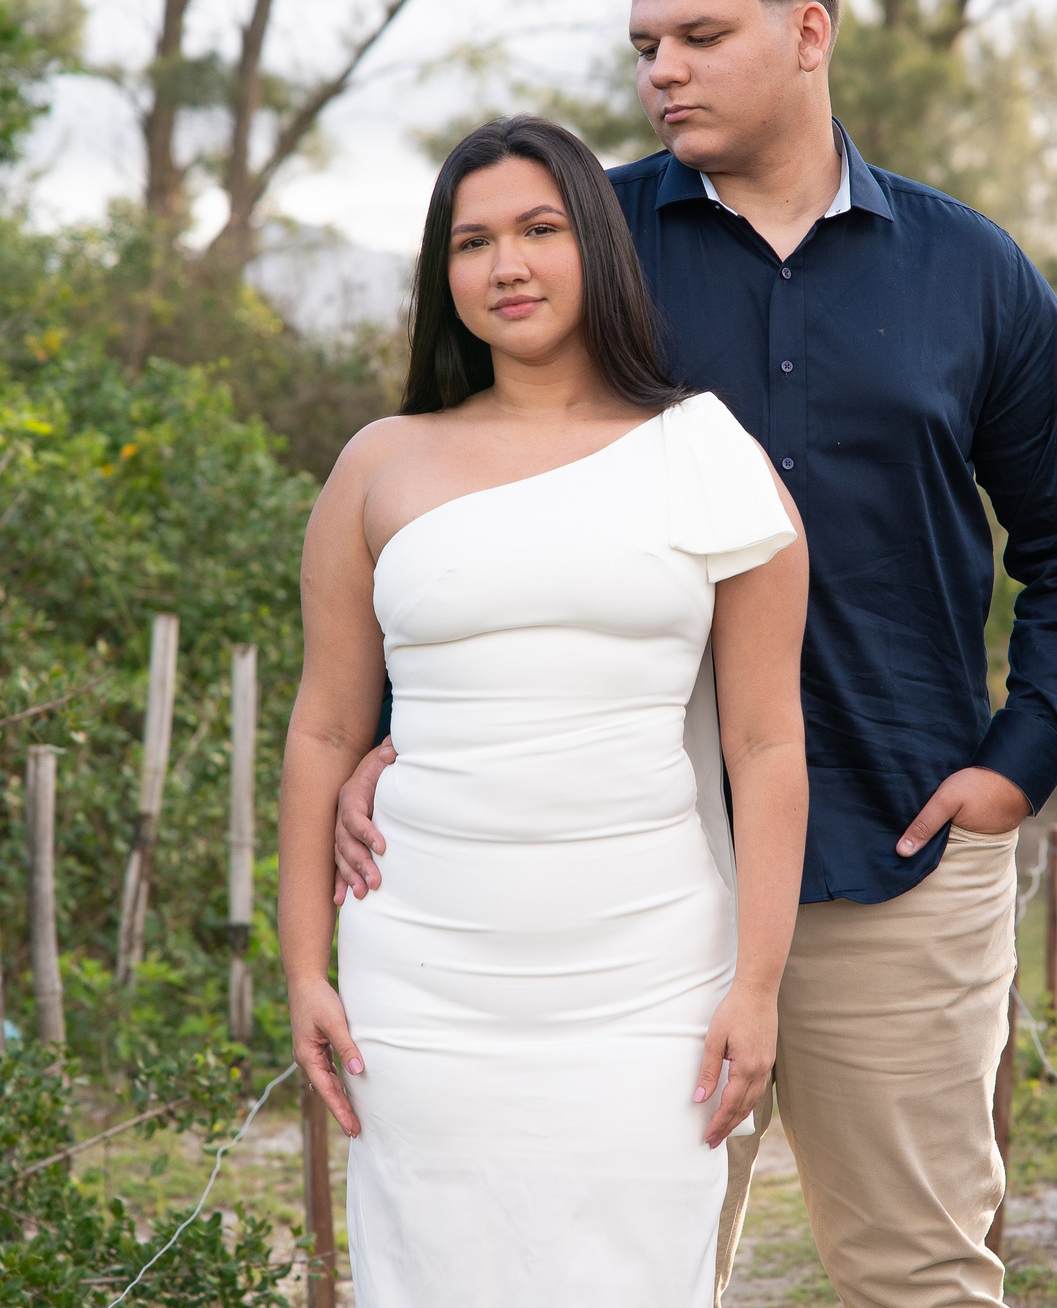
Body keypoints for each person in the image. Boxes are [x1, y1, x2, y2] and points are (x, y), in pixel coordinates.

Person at [333, 0, 1057, 1307]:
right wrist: (404, 726)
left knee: (918, 1271)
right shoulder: (581, 246)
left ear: (808, 32)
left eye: (699, 37)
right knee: (622, 1273)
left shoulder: (972, 273)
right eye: (646, 45)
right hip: (620, 879)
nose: (663, 71)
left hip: (895, 844)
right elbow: (458, 502)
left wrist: (1018, 762)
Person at [276, 114, 813, 1306]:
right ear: (443, 274)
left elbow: (767, 741)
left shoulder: (705, 453)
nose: (505, 266)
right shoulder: (379, 463)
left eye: (538, 230)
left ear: (597, 249)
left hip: (646, 970)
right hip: (421, 971)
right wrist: (305, 968)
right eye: (471, 243)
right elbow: (324, 729)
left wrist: (756, 985)